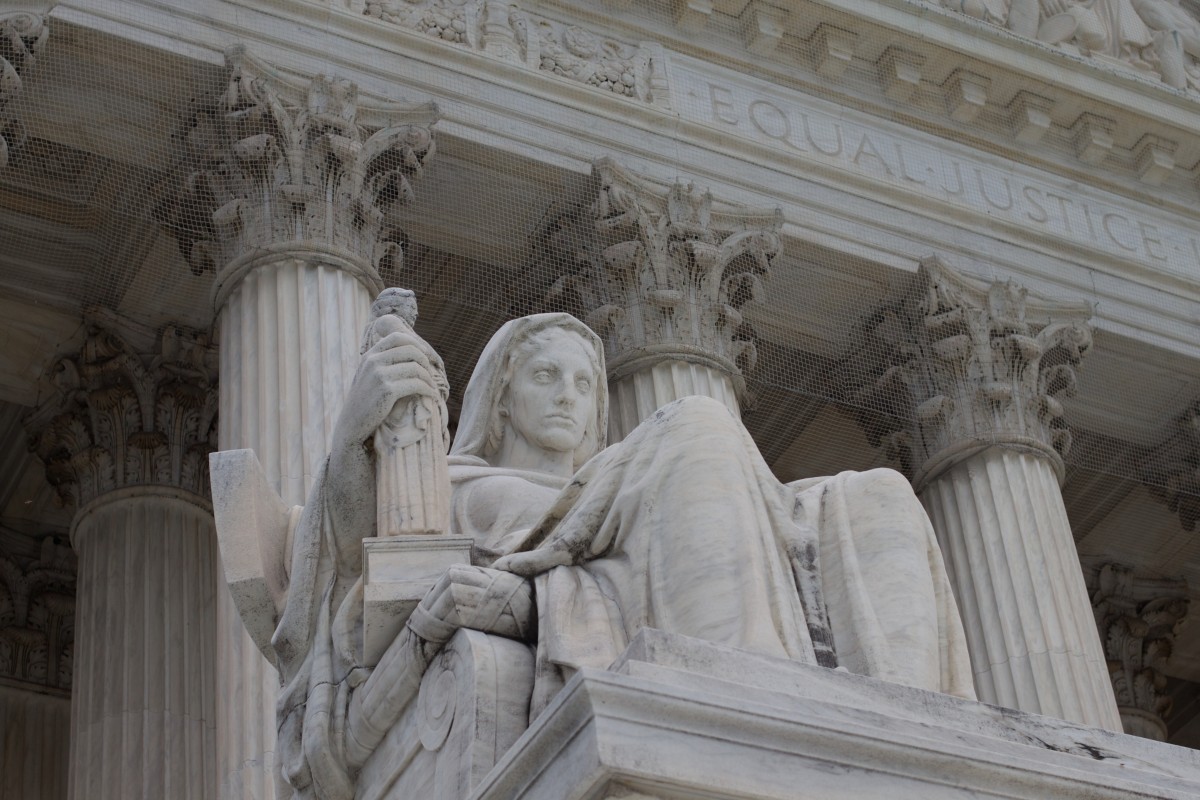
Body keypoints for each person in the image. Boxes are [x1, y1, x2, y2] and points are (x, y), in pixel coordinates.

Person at [269, 312, 974, 800]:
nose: (568, 398)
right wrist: (354, 435)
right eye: (545, 377)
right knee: (699, 422)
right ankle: (747, 717)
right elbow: (354, 577)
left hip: (627, 563)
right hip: (587, 580)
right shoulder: (452, 483)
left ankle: (915, 752)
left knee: (877, 494)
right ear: (503, 398)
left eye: (583, 384)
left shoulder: (625, 478)